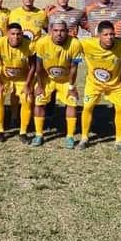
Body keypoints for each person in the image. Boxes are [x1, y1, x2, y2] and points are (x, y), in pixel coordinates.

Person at [79, 21, 121, 155]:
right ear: (98, 36)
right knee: (87, 107)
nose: (109, 37)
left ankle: (119, 141)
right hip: (93, 84)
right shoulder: (87, 44)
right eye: (106, 34)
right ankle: (84, 138)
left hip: (115, 85)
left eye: (112, 34)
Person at [33, 19, 83, 149]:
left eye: (62, 31)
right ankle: (39, 134)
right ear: (50, 31)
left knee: (72, 101)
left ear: (67, 32)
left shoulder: (75, 43)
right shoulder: (42, 43)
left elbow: (73, 68)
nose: (59, 34)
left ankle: (70, 136)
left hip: (65, 79)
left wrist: (71, 87)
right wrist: (39, 85)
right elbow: (38, 66)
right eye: (55, 30)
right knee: (39, 100)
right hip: (47, 78)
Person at [0, 23, 37, 145]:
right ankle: (0, 131)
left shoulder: (29, 45)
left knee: (28, 99)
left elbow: (33, 66)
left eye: (18, 34)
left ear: (22, 34)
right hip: (4, 77)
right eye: (13, 34)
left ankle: (23, 132)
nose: (16, 37)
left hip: (22, 78)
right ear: (7, 34)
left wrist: (27, 84)